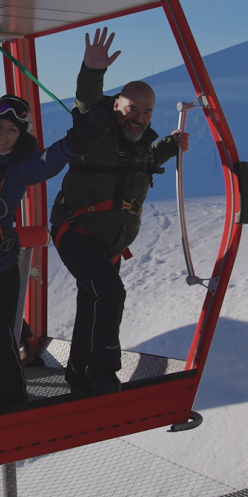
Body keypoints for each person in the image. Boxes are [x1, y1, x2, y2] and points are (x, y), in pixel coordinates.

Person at [0, 93, 111, 414]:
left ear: (21, 136)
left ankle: (13, 410)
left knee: (0, 343)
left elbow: (58, 156)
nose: (2, 135)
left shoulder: (21, 169)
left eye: (12, 130)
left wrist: (88, 131)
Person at [50, 28, 189, 393]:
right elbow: (86, 101)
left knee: (93, 300)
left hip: (107, 242)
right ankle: (105, 372)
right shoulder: (95, 130)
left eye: (146, 111)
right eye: (132, 109)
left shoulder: (140, 142)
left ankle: (79, 372)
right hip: (77, 231)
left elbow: (139, 161)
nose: (139, 117)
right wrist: (92, 71)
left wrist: (170, 146)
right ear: (116, 107)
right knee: (109, 294)